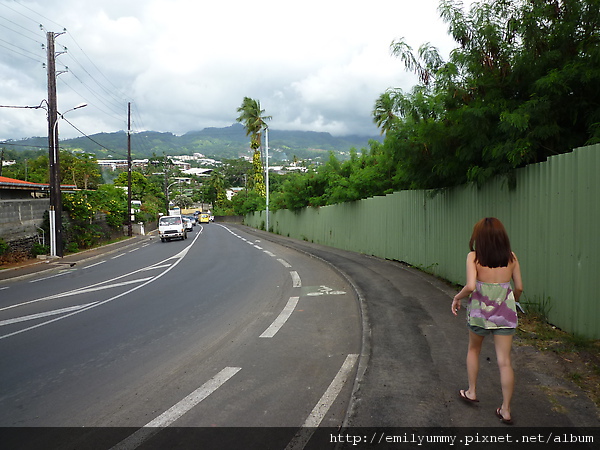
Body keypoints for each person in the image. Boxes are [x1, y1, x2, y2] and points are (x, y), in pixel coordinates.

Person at [451, 217, 523, 425]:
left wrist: (457, 297)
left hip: (480, 314)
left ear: (479, 237)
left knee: (474, 350)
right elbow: (519, 287)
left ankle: (472, 391)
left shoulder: (473, 257)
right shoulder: (512, 258)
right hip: (505, 316)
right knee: (505, 362)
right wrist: (512, 302)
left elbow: (471, 286)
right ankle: (506, 410)